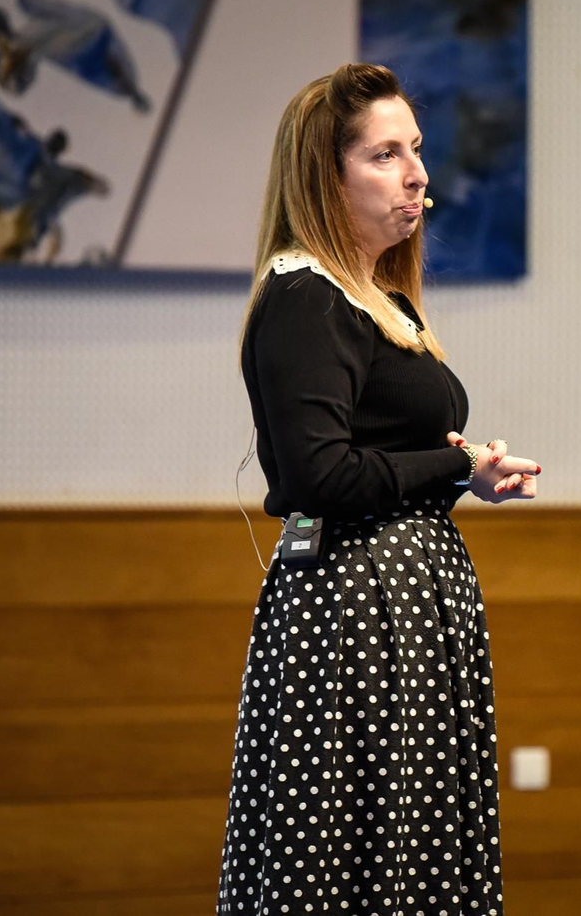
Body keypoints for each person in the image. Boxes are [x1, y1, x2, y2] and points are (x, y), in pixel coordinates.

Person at [217, 62, 538, 914]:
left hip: (408, 604)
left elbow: (391, 454)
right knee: (347, 853)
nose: (418, 174)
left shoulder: (383, 298)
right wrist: (455, 467)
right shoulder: (302, 297)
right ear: (328, 175)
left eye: (417, 150)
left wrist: (472, 474)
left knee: (413, 845)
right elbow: (320, 474)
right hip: (352, 613)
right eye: (386, 154)